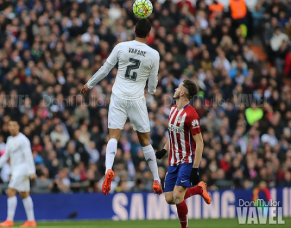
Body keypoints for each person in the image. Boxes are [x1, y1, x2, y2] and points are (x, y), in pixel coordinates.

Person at [80, 18, 162, 195]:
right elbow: (153, 86)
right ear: (149, 34)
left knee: (113, 137)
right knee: (145, 141)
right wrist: (153, 89)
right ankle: (156, 179)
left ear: (134, 29)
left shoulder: (121, 47)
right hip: (137, 99)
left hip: (118, 96)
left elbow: (105, 69)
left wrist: (89, 84)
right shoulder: (153, 54)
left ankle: (108, 170)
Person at [155, 79, 211, 228]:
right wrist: (164, 150)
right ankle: (199, 189)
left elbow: (200, 142)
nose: (175, 89)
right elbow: (173, 135)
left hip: (187, 160)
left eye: (178, 88)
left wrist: (195, 168)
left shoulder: (191, 115)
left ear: (182, 93)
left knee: (178, 196)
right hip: (173, 161)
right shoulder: (173, 110)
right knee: (169, 198)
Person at [0, 121, 37, 227]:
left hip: (23, 169)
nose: (12, 128)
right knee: (24, 194)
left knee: (10, 191)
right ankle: (31, 221)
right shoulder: (10, 140)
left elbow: (28, 155)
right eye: (10, 126)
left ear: (18, 126)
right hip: (16, 170)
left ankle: (10, 220)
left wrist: (32, 172)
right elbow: (5, 156)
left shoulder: (23, 140)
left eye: (14, 125)